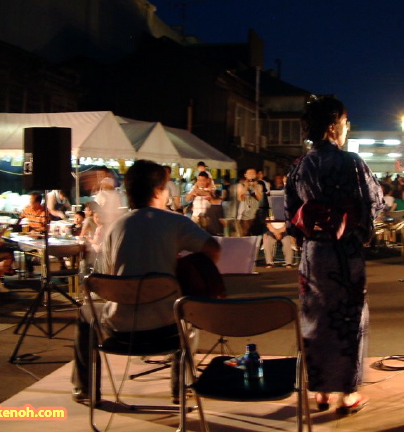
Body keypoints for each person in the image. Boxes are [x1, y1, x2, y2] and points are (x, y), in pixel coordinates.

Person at [71, 160, 221, 405]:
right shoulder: (175, 221)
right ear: (157, 191)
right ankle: (180, 388)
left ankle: (85, 387)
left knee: (85, 312)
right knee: (186, 309)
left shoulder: (116, 226)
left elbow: (106, 274)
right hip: (167, 331)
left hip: (118, 331)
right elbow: (213, 250)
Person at [285, 96, 384, 415]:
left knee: (315, 318)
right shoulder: (352, 162)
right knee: (349, 318)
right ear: (332, 128)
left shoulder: (299, 166)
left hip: (314, 254)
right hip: (344, 254)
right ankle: (348, 393)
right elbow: (374, 201)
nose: (347, 128)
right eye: (345, 123)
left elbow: (291, 216)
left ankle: (322, 391)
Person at [237, 168, 263, 236]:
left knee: (254, 233)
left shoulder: (259, 186)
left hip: (254, 213)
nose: (251, 175)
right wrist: (246, 187)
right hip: (244, 213)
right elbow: (240, 198)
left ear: (256, 175)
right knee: (244, 233)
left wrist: (255, 188)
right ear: (245, 175)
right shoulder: (241, 185)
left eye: (253, 173)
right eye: (249, 173)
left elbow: (259, 198)